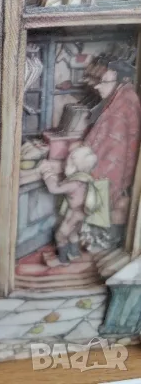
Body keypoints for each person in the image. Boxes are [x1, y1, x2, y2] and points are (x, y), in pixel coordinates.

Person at [82, 58, 141, 246]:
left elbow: (113, 157)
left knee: (107, 207)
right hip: (114, 176)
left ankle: (100, 241)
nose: (97, 86)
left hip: (109, 176)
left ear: (122, 81)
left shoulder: (121, 108)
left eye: (104, 82)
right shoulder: (124, 97)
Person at [39, 146, 106, 266]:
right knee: (73, 234)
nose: (64, 166)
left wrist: (47, 172)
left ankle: (62, 260)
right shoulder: (86, 179)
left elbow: (54, 189)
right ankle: (74, 254)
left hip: (73, 214)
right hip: (82, 214)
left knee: (60, 236)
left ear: (74, 167)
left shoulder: (74, 183)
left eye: (67, 164)